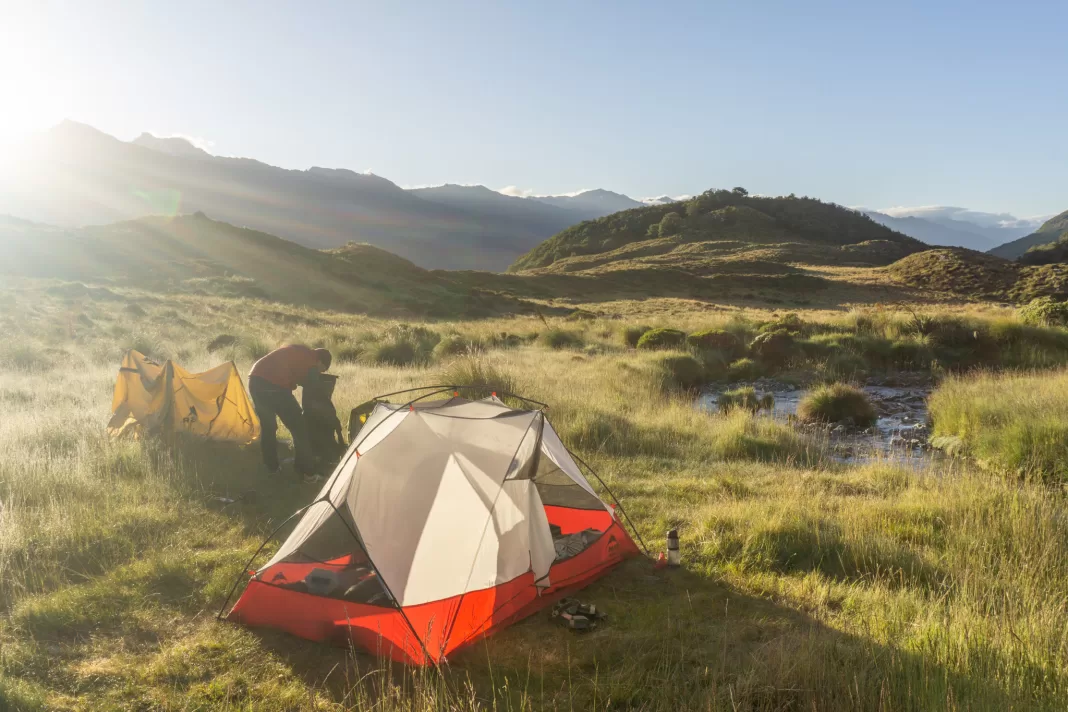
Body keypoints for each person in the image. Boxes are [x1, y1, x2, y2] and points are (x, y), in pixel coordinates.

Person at [248, 344, 332, 481]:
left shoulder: (303, 353)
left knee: (268, 428)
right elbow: (313, 386)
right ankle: (307, 473)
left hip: (254, 381)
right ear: (320, 362)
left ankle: (272, 469)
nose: (319, 373)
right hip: (274, 386)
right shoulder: (312, 362)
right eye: (321, 370)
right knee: (299, 427)